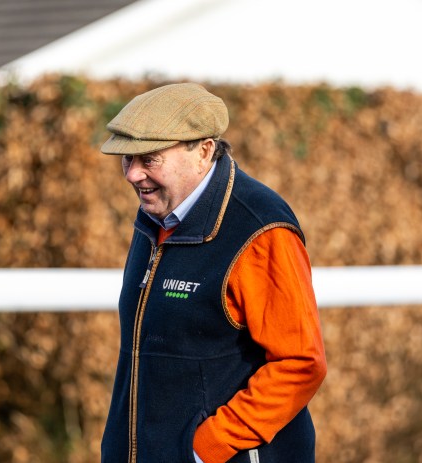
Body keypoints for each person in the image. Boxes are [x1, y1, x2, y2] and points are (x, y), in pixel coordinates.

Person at [97, 82, 327, 463]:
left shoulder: (259, 228)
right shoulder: (155, 218)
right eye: (127, 159)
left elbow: (300, 363)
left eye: (149, 158)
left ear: (204, 151)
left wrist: (206, 448)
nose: (132, 175)